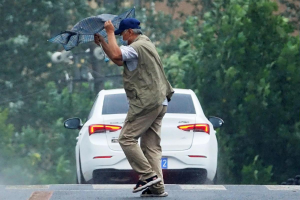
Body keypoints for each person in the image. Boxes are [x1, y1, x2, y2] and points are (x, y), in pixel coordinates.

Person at [94, 18, 174, 197]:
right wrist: (104, 44)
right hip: (160, 101)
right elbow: (118, 60)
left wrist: (108, 32)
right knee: (151, 147)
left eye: (122, 34)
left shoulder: (135, 47)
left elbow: (117, 55)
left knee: (126, 139)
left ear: (130, 31)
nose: (121, 38)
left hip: (147, 103)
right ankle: (157, 188)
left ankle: (147, 176)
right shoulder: (146, 44)